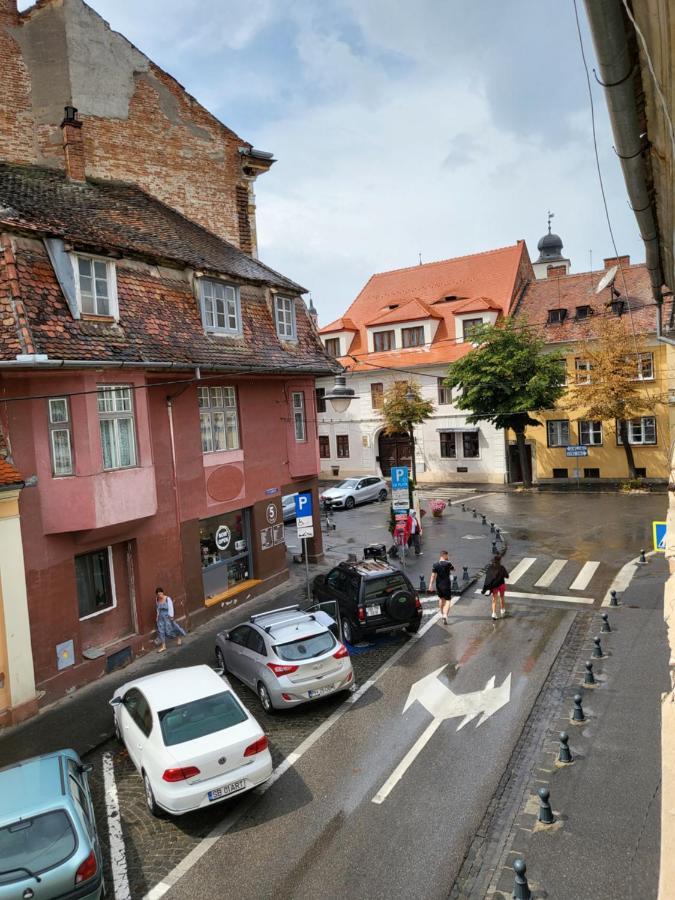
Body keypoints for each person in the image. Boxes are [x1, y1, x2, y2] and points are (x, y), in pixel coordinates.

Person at [155, 587, 186, 653]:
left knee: (169, 630)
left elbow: (170, 607)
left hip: (167, 616)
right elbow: (158, 608)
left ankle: (178, 637)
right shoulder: (157, 599)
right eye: (158, 594)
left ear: (163, 593)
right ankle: (163, 646)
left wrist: (171, 616)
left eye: (160, 593)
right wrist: (157, 616)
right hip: (161, 617)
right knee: (161, 631)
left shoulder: (167, 599)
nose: (160, 595)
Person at [429, 550, 454, 624]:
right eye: (447, 555)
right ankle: (445, 615)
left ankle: (442, 613)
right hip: (446, 584)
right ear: (445, 555)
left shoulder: (435, 564)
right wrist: (448, 561)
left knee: (441, 598)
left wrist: (430, 584)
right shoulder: (448, 564)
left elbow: (433, 575)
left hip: (438, 585)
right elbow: (454, 569)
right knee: (448, 600)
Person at [481, 555, 509, 620]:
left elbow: (488, 576)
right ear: (499, 561)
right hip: (501, 584)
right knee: (502, 597)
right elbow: (507, 576)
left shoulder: (490, 568)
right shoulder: (502, 568)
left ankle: (493, 613)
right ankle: (502, 609)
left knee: (494, 599)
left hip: (494, 586)